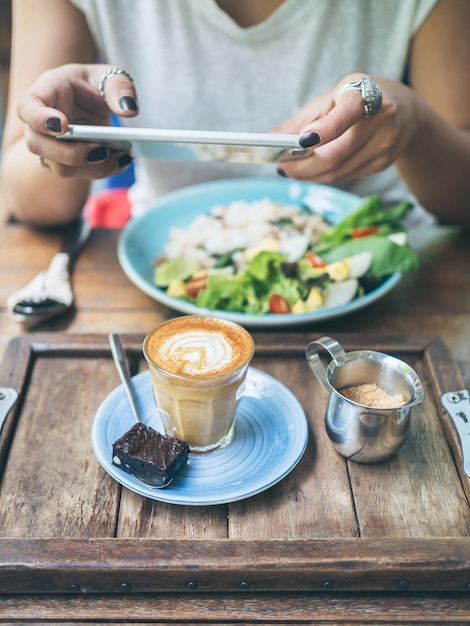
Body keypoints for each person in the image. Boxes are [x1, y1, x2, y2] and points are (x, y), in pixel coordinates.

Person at [1, 0, 470, 229]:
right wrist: (66, 139)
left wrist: (414, 125)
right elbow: (37, 201)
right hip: (165, 271)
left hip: (392, 276)